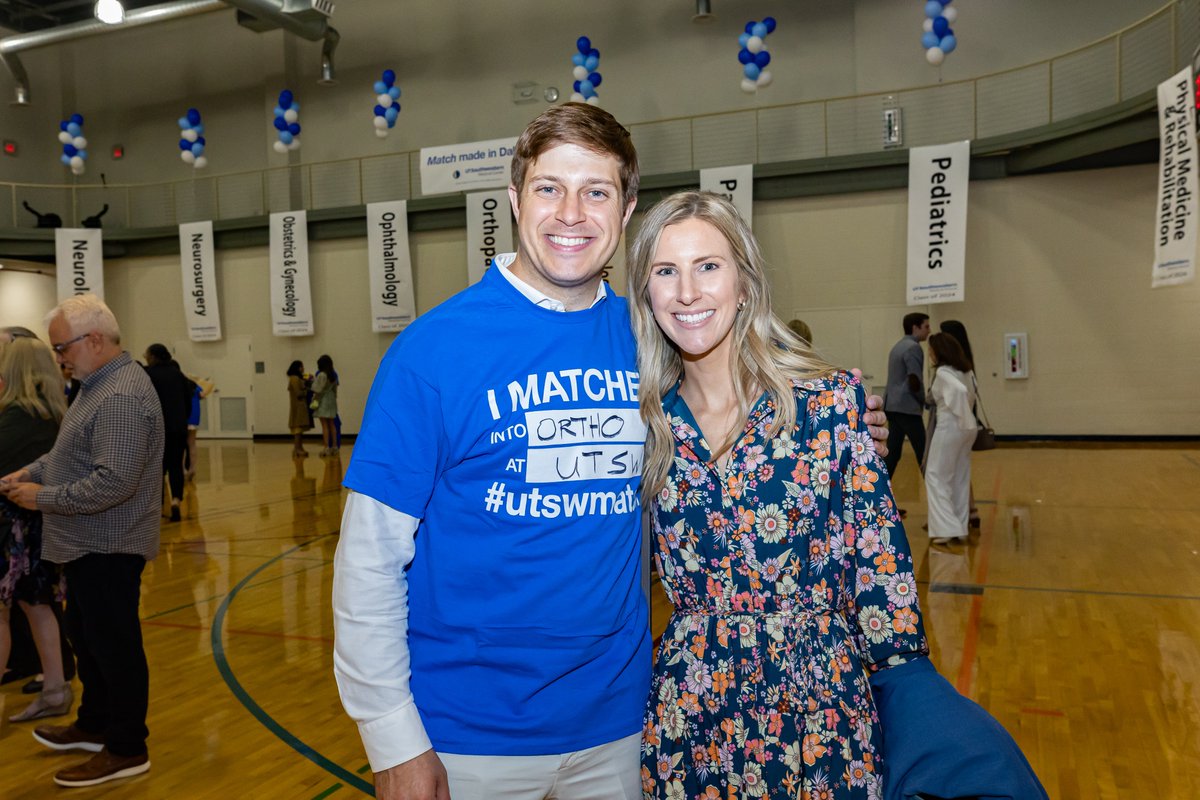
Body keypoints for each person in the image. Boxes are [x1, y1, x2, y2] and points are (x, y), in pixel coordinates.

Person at [333, 104, 890, 800]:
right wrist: (392, 737)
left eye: (595, 191)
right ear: (513, 197)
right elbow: (368, 559)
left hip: (626, 729)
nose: (571, 212)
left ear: (626, 209)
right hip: (468, 738)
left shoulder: (651, 337)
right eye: (549, 188)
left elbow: (744, 421)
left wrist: (844, 424)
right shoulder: (431, 352)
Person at [628, 192, 928, 798]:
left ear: (745, 283)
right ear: (646, 294)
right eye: (666, 271)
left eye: (708, 266)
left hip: (820, 710)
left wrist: (913, 698)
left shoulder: (828, 404)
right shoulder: (643, 423)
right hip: (693, 709)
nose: (687, 291)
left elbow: (882, 570)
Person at [0, 294, 162, 788]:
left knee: (115, 646)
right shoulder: (94, 387)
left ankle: (127, 747)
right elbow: (68, 456)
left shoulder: (119, 396)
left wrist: (41, 496)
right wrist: (31, 471)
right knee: (88, 637)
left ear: (93, 340)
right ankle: (95, 724)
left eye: (61, 347)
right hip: (86, 542)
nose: (58, 358)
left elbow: (113, 483)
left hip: (110, 543)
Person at [0, 336, 72, 723]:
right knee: (39, 605)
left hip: (11, 531)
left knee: (3, 613)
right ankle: (55, 689)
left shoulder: (14, 418)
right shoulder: (58, 416)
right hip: (44, 528)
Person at [924, 333, 977, 545]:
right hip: (967, 429)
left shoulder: (944, 373)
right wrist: (966, 417)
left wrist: (960, 414)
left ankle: (947, 528)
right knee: (959, 478)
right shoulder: (966, 371)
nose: (929, 354)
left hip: (950, 427)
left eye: (931, 350)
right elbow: (968, 391)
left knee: (935, 476)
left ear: (939, 352)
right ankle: (959, 526)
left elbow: (959, 391)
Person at [143, 344, 191, 522]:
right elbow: (187, 402)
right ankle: (176, 501)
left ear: (153, 356)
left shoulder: (149, 375)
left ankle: (158, 506)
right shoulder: (178, 374)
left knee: (158, 470)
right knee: (176, 466)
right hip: (178, 428)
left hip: (157, 429)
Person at [938, 320, 979, 526]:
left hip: (954, 423)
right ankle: (970, 510)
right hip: (968, 422)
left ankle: (948, 519)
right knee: (961, 470)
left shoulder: (948, 365)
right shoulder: (966, 360)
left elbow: (955, 394)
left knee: (945, 473)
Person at [883, 312, 930, 482]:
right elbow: (914, 379)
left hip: (892, 406)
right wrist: (924, 399)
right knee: (923, 453)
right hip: (907, 407)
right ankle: (938, 501)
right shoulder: (913, 347)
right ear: (915, 327)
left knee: (892, 454)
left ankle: (880, 500)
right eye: (926, 326)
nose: (929, 331)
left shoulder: (898, 346)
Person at [311, 355, 339, 457]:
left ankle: (326, 447)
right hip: (331, 399)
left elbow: (317, 389)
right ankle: (335, 447)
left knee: (324, 425)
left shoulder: (322, 375)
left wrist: (312, 384)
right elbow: (335, 390)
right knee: (332, 424)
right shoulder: (333, 375)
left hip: (323, 400)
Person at [286, 361, 313, 458]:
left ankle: (299, 448)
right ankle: (297, 449)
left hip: (300, 406)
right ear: (297, 368)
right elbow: (298, 393)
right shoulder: (294, 378)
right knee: (297, 430)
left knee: (300, 430)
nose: (303, 369)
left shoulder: (296, 378)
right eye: (302, 367)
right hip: (298, 407)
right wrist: (307, 390)